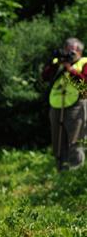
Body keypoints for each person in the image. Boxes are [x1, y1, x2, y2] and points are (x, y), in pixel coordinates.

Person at [42, 37, 87, 171]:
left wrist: (69, 69)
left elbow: (84, 85)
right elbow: (45, 77)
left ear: (79, 52)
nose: (68, 55)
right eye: (66, 50)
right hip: (56, 106)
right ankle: (62, 172)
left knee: (75, 141)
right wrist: (55, 63)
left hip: (77, 105)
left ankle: (75, 172)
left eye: (71, 52)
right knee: (58, 142)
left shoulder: (84, 63)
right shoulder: (59, 63)